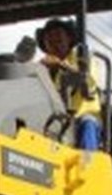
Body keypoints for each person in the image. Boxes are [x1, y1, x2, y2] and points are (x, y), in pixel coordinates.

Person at [33, 18, 102, 151]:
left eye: (58, 37)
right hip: (53, 121)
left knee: (87, 123)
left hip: (81, 116)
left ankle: (88, 165)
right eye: (49, 40)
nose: (54, 43)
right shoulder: (42, 69)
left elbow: (88, 80)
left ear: (69, 38)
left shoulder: (82, 57)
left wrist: (61, 65)